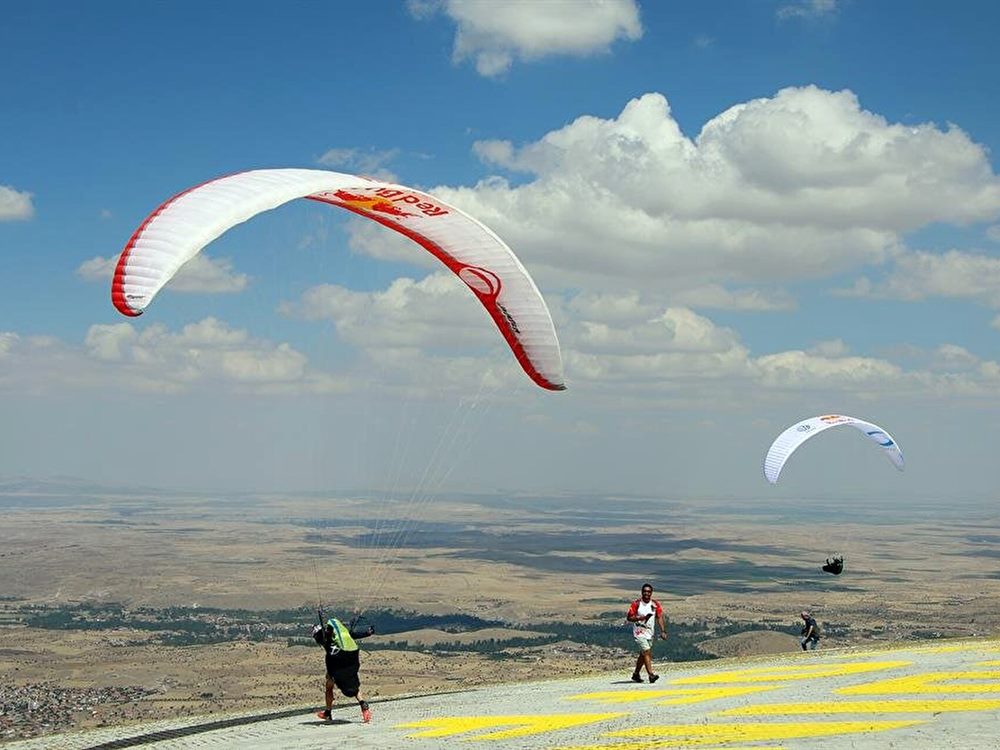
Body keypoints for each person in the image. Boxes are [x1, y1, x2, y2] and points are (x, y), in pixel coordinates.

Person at [312, 615, 376, 723]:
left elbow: (324, 639)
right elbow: (351, 635)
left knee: (329, 684)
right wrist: (367, 633)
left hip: (337, 661)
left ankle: (327, 712)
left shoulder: (326, 637)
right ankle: (363, 704)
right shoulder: (340, 634)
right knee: (353, 682)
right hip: (351, 657)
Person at [626, 583, 667, 683]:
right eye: (645, 591)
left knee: (643, 654)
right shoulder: (636, 604)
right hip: (639, 631)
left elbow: (659, 617)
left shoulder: (655, 604)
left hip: (649, 632)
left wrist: (663, 631)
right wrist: (640, 618)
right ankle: (651, 675)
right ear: (641, 592)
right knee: (647, 651)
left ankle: (636, 674)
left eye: (648, 592)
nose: (646, 593)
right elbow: (629, 617)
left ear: (651, 593)